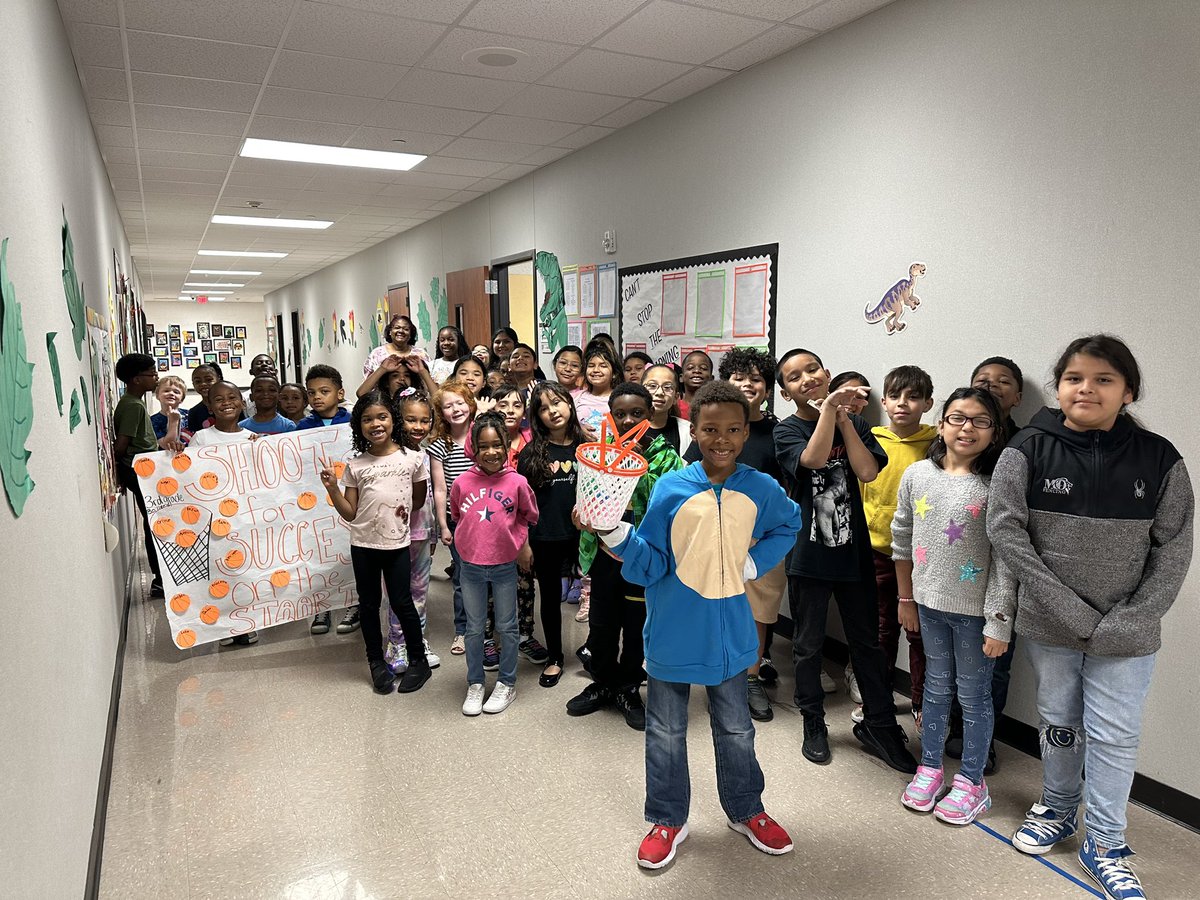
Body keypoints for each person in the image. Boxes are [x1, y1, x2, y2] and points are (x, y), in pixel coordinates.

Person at [989, 335, 1193, 899]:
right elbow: (1006, 531)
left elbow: (1173, 549)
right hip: (1052, 625)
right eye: (1075, 377)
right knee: (1059, 721)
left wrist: (1129, 620)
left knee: (1114, 736)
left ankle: (1105, 841)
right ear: (1058, 386)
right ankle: (1056, 805)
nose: (1087, 389)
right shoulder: (1025, 449)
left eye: (1104, 379)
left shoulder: (1160, 459)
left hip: (1127, 633)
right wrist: (1072, 611)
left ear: (1128, 392)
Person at [586, 380, 801, 870]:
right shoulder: (672, 487)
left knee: (736, 729)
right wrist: (615, 532)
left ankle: (747, 809)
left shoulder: (761, 488)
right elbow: (649, 563)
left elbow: (789, 523)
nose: (720, 439)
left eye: (731, 429)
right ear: (694, 430)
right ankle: (667, 818)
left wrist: (753, 563)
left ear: (746, 432)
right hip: (672, 632)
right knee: (664, 730)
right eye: (709, 429)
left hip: (730, 635)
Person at [775, 348, 917, 773]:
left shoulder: (854, 421)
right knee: (807, 645)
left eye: (813, 369)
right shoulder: (787, 430)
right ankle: (813, 720)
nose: (807, 379)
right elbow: (814, 460)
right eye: (795, 377)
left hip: (854, 555)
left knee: (868, 644)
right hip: (809, 555)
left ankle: (879, 724)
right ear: (785, 392)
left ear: (827, 373)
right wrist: (826, 416)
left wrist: (842, 419)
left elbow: (868, 471)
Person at [894, 387, 1013, 825]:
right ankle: (929, 767)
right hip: (927, 606)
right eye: (958, 418)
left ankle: (971, 781)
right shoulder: (917, 475)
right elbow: (901, 541)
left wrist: (999, 621)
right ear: (941, 423)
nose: (967, 428)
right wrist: (905, 599)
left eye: (980, 421)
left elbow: (1006, 559)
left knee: (975, 696)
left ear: (994, 432)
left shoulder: (997, 484)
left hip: (976, 613)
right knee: (935, 690)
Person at [568, 382, 684, 730]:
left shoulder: (667, 459)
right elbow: (587, 496)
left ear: (651, 415)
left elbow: (674, 510)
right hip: (604, 555)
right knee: (602, 622)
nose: (628, 419)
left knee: (636, 627)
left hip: (643, 559)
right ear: (610, 417)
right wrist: (581, 516)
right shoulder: (599, 453)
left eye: (637, 413)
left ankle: (629, 687)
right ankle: (603, 682)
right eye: (620, 414)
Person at [684, 348, 784, 721]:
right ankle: (718, 672)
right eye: (738, 378)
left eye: (756, 378)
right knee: (715, 605)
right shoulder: (709, 428)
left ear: (767, 387)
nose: (747, 384)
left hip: (759, 538)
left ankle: (752, 677)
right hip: (713, 534)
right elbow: (689, 477)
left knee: (758, 610)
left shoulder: (778, 431)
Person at [320, 390, 432, 695]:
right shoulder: (356, 466)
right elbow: (350, 513)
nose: (375, 424)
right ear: (359, 427)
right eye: (367, 419)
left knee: (402, 602)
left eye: (382, 416)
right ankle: (375, 662)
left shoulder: (413, 459)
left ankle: (418, 661)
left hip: (397, 545)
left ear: (393, 420)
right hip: (364, 546)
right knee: (369, 605)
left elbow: (418, 501)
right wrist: (332, 488)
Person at [857, 366, 936, 726]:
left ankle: (921, 700)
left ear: (928, 403)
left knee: (918, 632)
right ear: (884, 401)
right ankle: (878, 699)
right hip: (877, 551)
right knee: (882, 629)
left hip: (921, 555)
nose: (903, 404)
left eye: (913, 396)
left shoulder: (937, 443)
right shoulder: (870, 439)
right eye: (896, 396)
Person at [451, 411, 539, 716]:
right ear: (474, 447)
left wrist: (522, 544)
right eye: (483, 446)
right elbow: (457, 515)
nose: (491, 452)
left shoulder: (517, 482)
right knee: (474, 628)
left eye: (497, 445)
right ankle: (475, 682)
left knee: (507, 625)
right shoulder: (462, 482)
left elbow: (528, 515)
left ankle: (506, 682)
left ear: (506, 446)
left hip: (504, 565)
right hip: (470, 566)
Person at [517, 383, 587, 687]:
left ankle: (593, 648)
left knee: (596, 593)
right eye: (543, 408)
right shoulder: (531, 452)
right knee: (549, 597)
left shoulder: (587, 447)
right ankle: (556, 656)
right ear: (537, 416)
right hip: (544, 536)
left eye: (556, 403)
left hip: (583, 535)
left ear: (569, 404)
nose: (552, 411)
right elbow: (520, 503)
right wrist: (523, 543)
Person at [384, 392, 441, 674]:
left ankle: (417, 641)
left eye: (424, 421)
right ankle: (397, 643)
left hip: (420, 534)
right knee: (398, 594)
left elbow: (428, 497)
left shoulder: (426, 453)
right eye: (410, 420)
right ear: (397, 420)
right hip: (392, 537)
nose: (418, 426)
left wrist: (432, 536)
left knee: (419, 592)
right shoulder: (388, 452)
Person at [296, 364, 352, 635]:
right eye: (311, 393)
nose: (317, 397)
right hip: (316, 502)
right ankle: (322, 607)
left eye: (324, 391)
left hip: (348, 499)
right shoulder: (302, 427)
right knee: (319, 554)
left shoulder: (352, 422)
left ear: (340, 393)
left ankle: (354, 603)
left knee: (348, 551)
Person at [113, 354, 169, 596]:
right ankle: (159, 579)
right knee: (154, 523)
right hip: (141, 471)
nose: (156, 378)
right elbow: (122, 445)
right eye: (152, 374)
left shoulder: (134, 402)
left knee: (154, 521)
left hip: (146, 469)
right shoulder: (133, 406)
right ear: (136, 379)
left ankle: (161, 576)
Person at [429, 380, 477, 656]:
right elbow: (439, 488)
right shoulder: (439, 445)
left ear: (470, 405)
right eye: (448, 406)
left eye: (460, 402)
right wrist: (443, 525)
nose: (455, 409)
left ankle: (486, 628)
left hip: (486, 519)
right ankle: (462, 629)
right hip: (457, 521)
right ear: (441, 413)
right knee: (462, 577)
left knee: (490, 575)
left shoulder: (483, 435)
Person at [640, 364, 692, 457]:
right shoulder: (629, 427)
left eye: (667, 387)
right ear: (641, 391)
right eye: (652, 386)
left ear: (676, 397)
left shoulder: (687, 431)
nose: (659, 393)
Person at [573, 340, 621, 437]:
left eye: (603, 366)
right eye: (591, 366)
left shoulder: (621, 399)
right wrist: (577, 429)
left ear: (614, 373)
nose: (596, 370)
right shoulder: (575, 398)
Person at [971, 356, 1024, 444]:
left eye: (1003, 381)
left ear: (1017, 398)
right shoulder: (952, 429)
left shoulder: (1023, 441)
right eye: (982, 380)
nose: (992, 384)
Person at [362, 314, 428, 380]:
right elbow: (367, 382)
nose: (401, 331)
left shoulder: (420, 354)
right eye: (397, 328)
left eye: (406, 329)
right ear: (390, 331)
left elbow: (430, 379)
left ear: (410, 334)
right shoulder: (377, 354)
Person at [189, 380, 253, 447]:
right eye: (219, 399)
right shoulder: (200, 438)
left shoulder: (251, 438)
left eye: (232, 398)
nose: (226, 403)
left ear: (243, 404)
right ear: (210, 408)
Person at [150, 375, 191, 449]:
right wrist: (173, 422)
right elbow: (168, 446)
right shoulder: (153, 420)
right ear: (157, 395)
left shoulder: (189, 414)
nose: (171, 393)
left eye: (176, 392)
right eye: (166, 391)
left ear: (182, 398)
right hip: (166, 458)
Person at [186, 363, 221, 433]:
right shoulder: (194, 412)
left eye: (208, 380)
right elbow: (194, 437)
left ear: (218, 379)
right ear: (193, 384)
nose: (203, 384)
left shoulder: (230, 405)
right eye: (198, 381)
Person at [679, 351, 714, 419]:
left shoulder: (718, 408)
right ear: (681, 378)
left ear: (711, 378)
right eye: (690, 367)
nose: (697, 371)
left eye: (703, 368)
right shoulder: (673, 408)